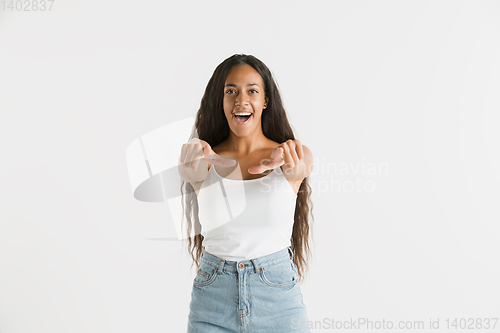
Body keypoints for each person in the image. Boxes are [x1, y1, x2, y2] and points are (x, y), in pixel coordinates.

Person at [178, 54, 314, 332]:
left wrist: (292, 164)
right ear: (222, 101)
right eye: (231, 91)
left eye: (252, 90)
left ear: (265, 100)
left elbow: (303, 165)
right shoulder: (203, 160)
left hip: (276, 300)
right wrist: (189, 169)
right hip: (212, 300)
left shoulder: (292, 158)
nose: (241, 100)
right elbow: (191, 174)